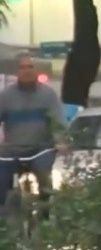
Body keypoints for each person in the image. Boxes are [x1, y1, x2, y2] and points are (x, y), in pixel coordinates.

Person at [0, 52, 67, 217]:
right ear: (17, 72)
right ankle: (4, 219)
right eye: (23, 68)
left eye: (30, 67)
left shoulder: (48, 95)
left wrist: (60, 141)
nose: (27, 71)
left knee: (44, 178)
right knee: (2, 180)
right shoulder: (6, 96)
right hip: (12, 151)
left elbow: (58, 121)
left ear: (35, 70)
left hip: (40, 149)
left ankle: (45, 218)